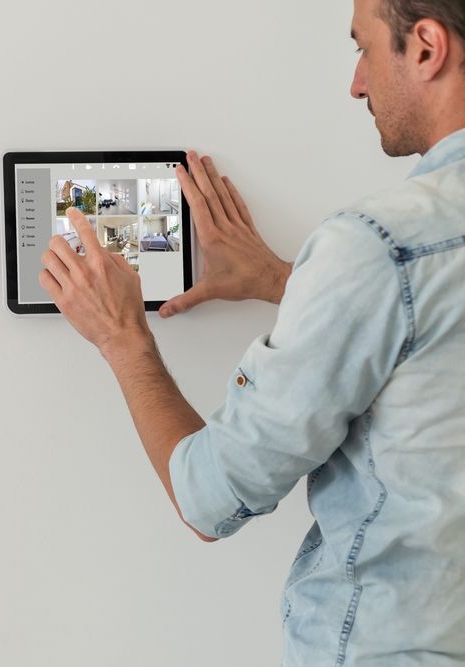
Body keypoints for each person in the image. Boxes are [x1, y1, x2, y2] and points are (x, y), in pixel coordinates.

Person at [39, 0, 465, 664]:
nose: (357, 82)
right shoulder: (393, 256)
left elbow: (210, 497)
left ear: (428, 48)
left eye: (364, 48)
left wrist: (122, 334)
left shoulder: (376, 245)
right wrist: (281, 279)